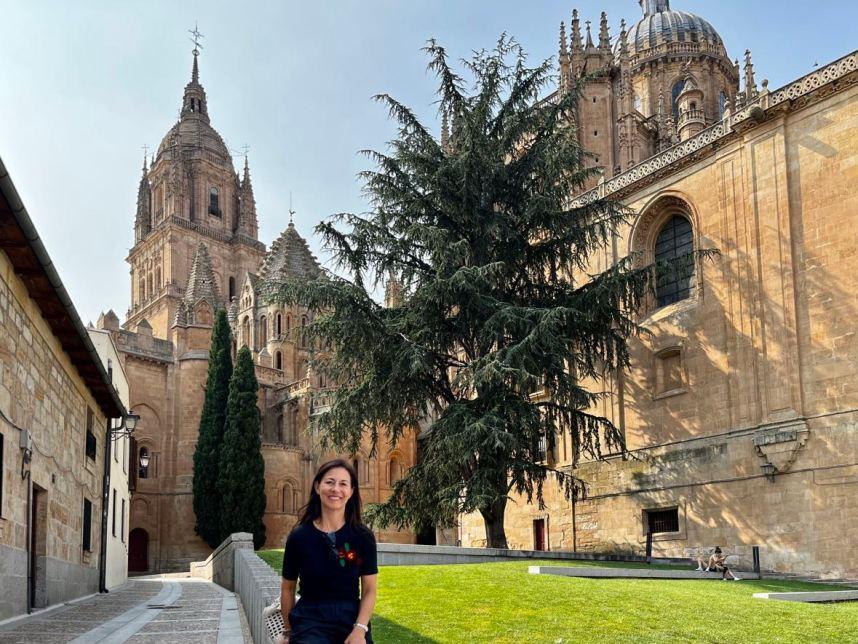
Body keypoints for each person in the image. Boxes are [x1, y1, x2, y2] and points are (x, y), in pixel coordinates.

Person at [278, 459, 378, 643]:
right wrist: (287, 631)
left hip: (351, 620)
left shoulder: (362, 536)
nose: (336, 489)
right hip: (310, 620)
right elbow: (287, 588)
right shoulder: (299, 537)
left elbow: (370, 590)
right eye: (329, 482)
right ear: (317, 486)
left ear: (351, 491)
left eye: (343, 484)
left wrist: (360, 629)